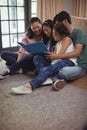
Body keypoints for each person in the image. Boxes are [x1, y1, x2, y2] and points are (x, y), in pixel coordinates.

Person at [11, 23, 77, 94]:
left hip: (68, 61)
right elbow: (55, 57)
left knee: (50, 68)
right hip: (58, 60)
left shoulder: (67, 39)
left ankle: (30, 86)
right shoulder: (57, 43)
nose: (53, 36)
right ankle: (46, 78)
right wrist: (48, 55)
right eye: (53, 34)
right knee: (37, 57)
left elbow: (60, 55)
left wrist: (53, 57)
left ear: (62, 35)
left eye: (55, 34)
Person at [51, 11, 87, 90]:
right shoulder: (63, 36)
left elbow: (77, 53)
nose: (58, 27)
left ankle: (52, 77)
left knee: (62, 71)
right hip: (66, 63)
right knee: (53, 66)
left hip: (80, 66)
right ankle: (56, 80)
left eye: (58, 24)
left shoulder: (79, 32)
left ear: (65, 21)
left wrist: (57, 56)